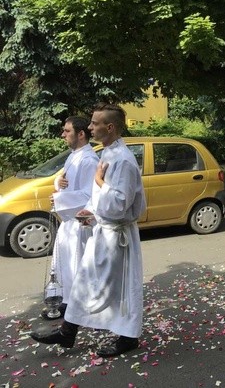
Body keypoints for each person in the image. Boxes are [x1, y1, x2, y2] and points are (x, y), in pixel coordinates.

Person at [31, 103, 146, 357]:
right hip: (103, 231)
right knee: (85, 282)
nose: (90, 127)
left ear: (110, 127)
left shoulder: (123, 160)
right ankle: (67, 332)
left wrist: (100, 182)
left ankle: (128, 337)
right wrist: (90, 212)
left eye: (94, 123)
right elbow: (100, 199)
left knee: (121, 287)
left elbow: (119, 202)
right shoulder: (107, 153)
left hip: (118, 236)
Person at [40, 116, 99, 320]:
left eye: (67, 131)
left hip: (79, 224)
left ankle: (76, 308)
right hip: (68, 223)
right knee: (64, 266)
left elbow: (89, 195)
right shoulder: (74, 155)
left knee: (76, 267)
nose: (63, 134)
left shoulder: (89, 160)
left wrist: (59, 199)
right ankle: (65, 302)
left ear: (80, 134)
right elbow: (67, 181)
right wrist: (58, 183)